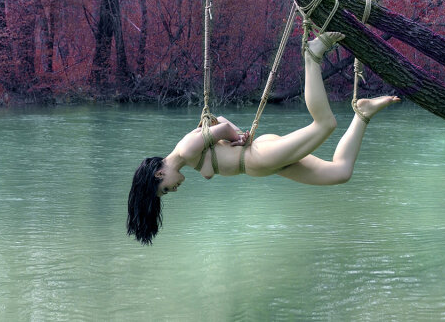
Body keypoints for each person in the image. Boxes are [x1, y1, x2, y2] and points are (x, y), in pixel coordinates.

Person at [126, 32, 400, 245]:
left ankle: (312, 55)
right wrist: (232, 134)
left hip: (258, 157)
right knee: (340, 172)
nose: (172, 191)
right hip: (261, 160)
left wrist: (236, 137)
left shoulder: (185, 150)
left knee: (325, 124)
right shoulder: (186, 155)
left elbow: (222, 129)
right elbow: (220, 121)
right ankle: (363, 113)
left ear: (160, 173)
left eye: (164, 189)